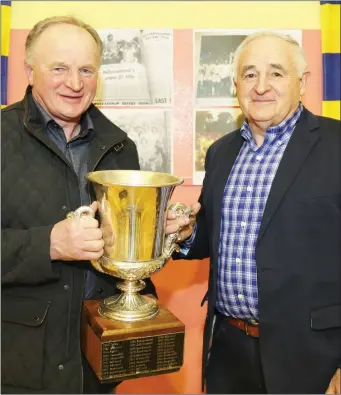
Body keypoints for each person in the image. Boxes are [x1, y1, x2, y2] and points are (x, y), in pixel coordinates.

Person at [168, 31, 341, 394]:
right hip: (229, 350)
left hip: (312, 357)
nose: (261, 86)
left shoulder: (335, 145)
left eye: (276, 73)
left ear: (302, 82)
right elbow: (212, 234)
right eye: (250, 74)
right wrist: (186, 234)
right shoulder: (221, 152)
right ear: (236, 85)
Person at [1, 16, 156, 394]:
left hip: (96, 364)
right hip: (17, 367)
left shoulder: (121, 147)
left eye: (86, 69)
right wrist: (49, 244)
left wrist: (156, 233)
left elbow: (125, 253)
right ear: (29, 70)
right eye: (60, 68)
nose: (74, 83)